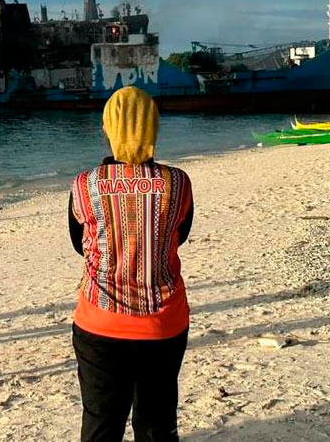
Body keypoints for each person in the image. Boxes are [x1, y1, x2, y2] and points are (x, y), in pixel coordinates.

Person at [68, 87, 194, 442]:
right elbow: (178, 236)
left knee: (101, 421)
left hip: (100, 321)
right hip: (163, 321)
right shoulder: (177, 182)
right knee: (156, 421)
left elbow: (80, 246)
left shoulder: (85, 184)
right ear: (152, 126)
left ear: (108, 128)